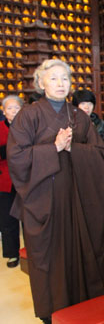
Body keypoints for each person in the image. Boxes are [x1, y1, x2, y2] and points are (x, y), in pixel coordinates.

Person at [7, 59, 104, 322]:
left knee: (83, 252)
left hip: (78, 200)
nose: (61, 83)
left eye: (65, 78)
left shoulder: (79, 117)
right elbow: (17, 158)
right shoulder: (27, 116)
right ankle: (51, 312)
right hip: (45, 203)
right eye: (53, 78)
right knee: (48, 257)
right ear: (41, 83)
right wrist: (53, 149)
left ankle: (84, 306)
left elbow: (100, 156)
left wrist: (73, 148)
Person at [0, 95, 23, 268]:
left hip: (26, 179)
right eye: (9, 108)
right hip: (5, 179)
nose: (13, 111)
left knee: (30, 218)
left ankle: (31, 251)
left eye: (16, 107)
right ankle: (11, 253)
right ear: (3, 110)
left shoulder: (28, 126)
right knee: (7, 219)